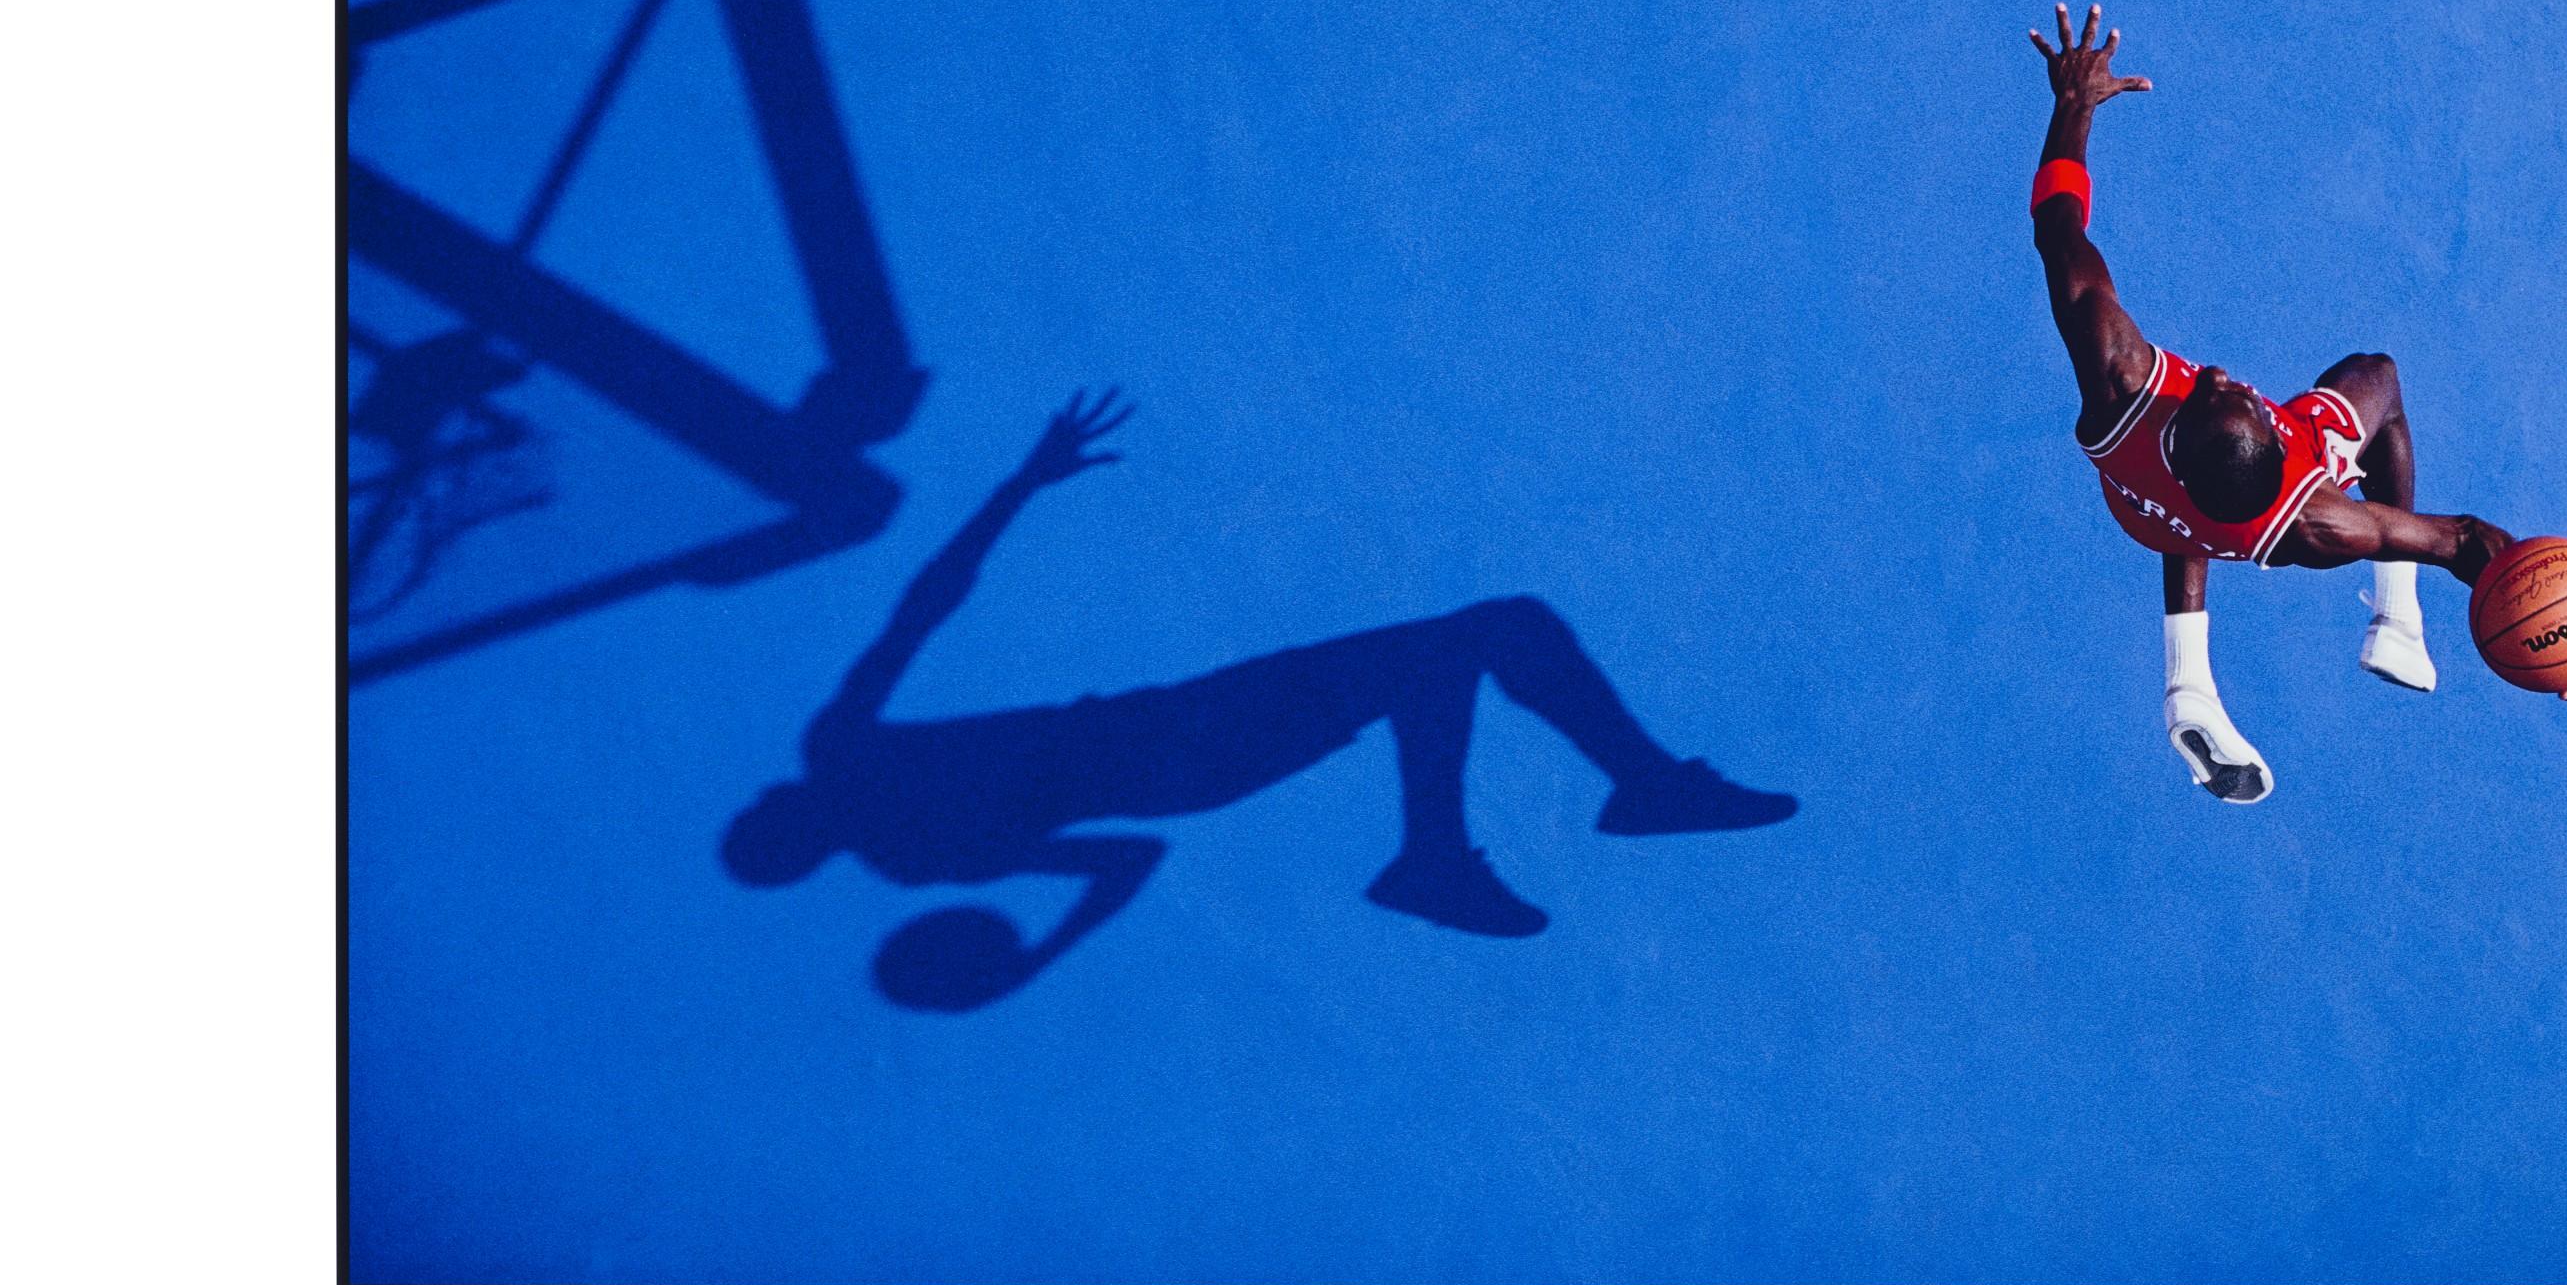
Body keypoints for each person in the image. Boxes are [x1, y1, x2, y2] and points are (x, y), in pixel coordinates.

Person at [723, 391, 1795, 997]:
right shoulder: (870, 791)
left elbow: (1117, 851)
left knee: (1499, 627)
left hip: (1180, 736)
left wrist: (1043, 951)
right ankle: (1451, 851)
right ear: (789, 834)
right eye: (768, 816)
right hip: (1181, 747)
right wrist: (1014, 486)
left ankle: (1634, 789)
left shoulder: (897, 829)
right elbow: (926, 609)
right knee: (1457, 644)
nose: (772, 799)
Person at [2022, 2, 2567, 805]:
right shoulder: (2320, 522)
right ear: (2274, 424)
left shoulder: (2120, 379)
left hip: (2137, 501)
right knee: (2379, 377)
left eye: (2216, 386)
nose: (2223, 373)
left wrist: (2073, 105)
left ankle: (2187, 685)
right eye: (2231, 391)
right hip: (2229, 522)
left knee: (2189, 505)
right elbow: (2464, 541)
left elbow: (2059, 231)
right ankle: (2395, 619)